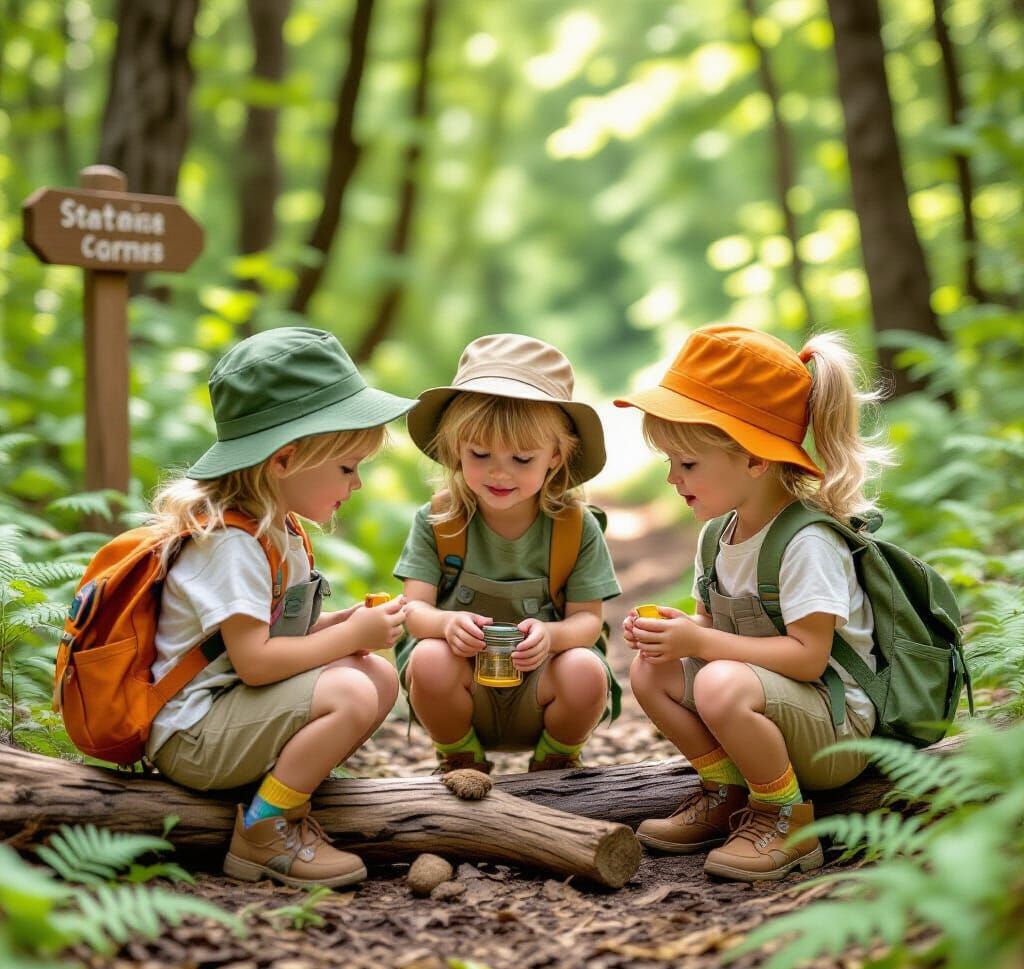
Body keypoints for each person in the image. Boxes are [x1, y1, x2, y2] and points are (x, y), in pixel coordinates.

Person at [615, 323, 892, 881]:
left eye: (687, 464)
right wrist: (678, 634)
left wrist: (700, 641)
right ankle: (726, 793)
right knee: (652, 672)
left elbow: (810, 658)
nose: (672, 477)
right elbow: (707, 629)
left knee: (720, 681)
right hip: (768, 707)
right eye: (670, 462)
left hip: (835, 729)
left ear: (756, 459)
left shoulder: (808, 542)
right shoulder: (717, 536)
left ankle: (785, 816)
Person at [146, 326, 415, 888]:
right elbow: (256, 663)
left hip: (230, 712)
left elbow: (272, 639)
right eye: (347, 467)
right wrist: (344, 637)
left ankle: (284, 790)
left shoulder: (277, 533)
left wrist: (344, 627)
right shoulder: (231, 545)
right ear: (286, 460)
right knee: (349, 689)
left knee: (376, 675)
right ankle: (263, 831)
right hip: (192, 737)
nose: (358, 483)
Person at [394, 334, 621, 773]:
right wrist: (446, 623)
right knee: (428, 657)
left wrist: (552, 637)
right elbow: (413, 611)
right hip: (463, 695)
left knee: (585, 671)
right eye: (480, 454)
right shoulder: (438, 521)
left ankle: (555, 762)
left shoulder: (575, 527)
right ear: (457, 447)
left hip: (541, 691)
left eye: (521, 459)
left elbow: (589, 621)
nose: (500, 472)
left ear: (555, 457)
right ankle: (461, 758)